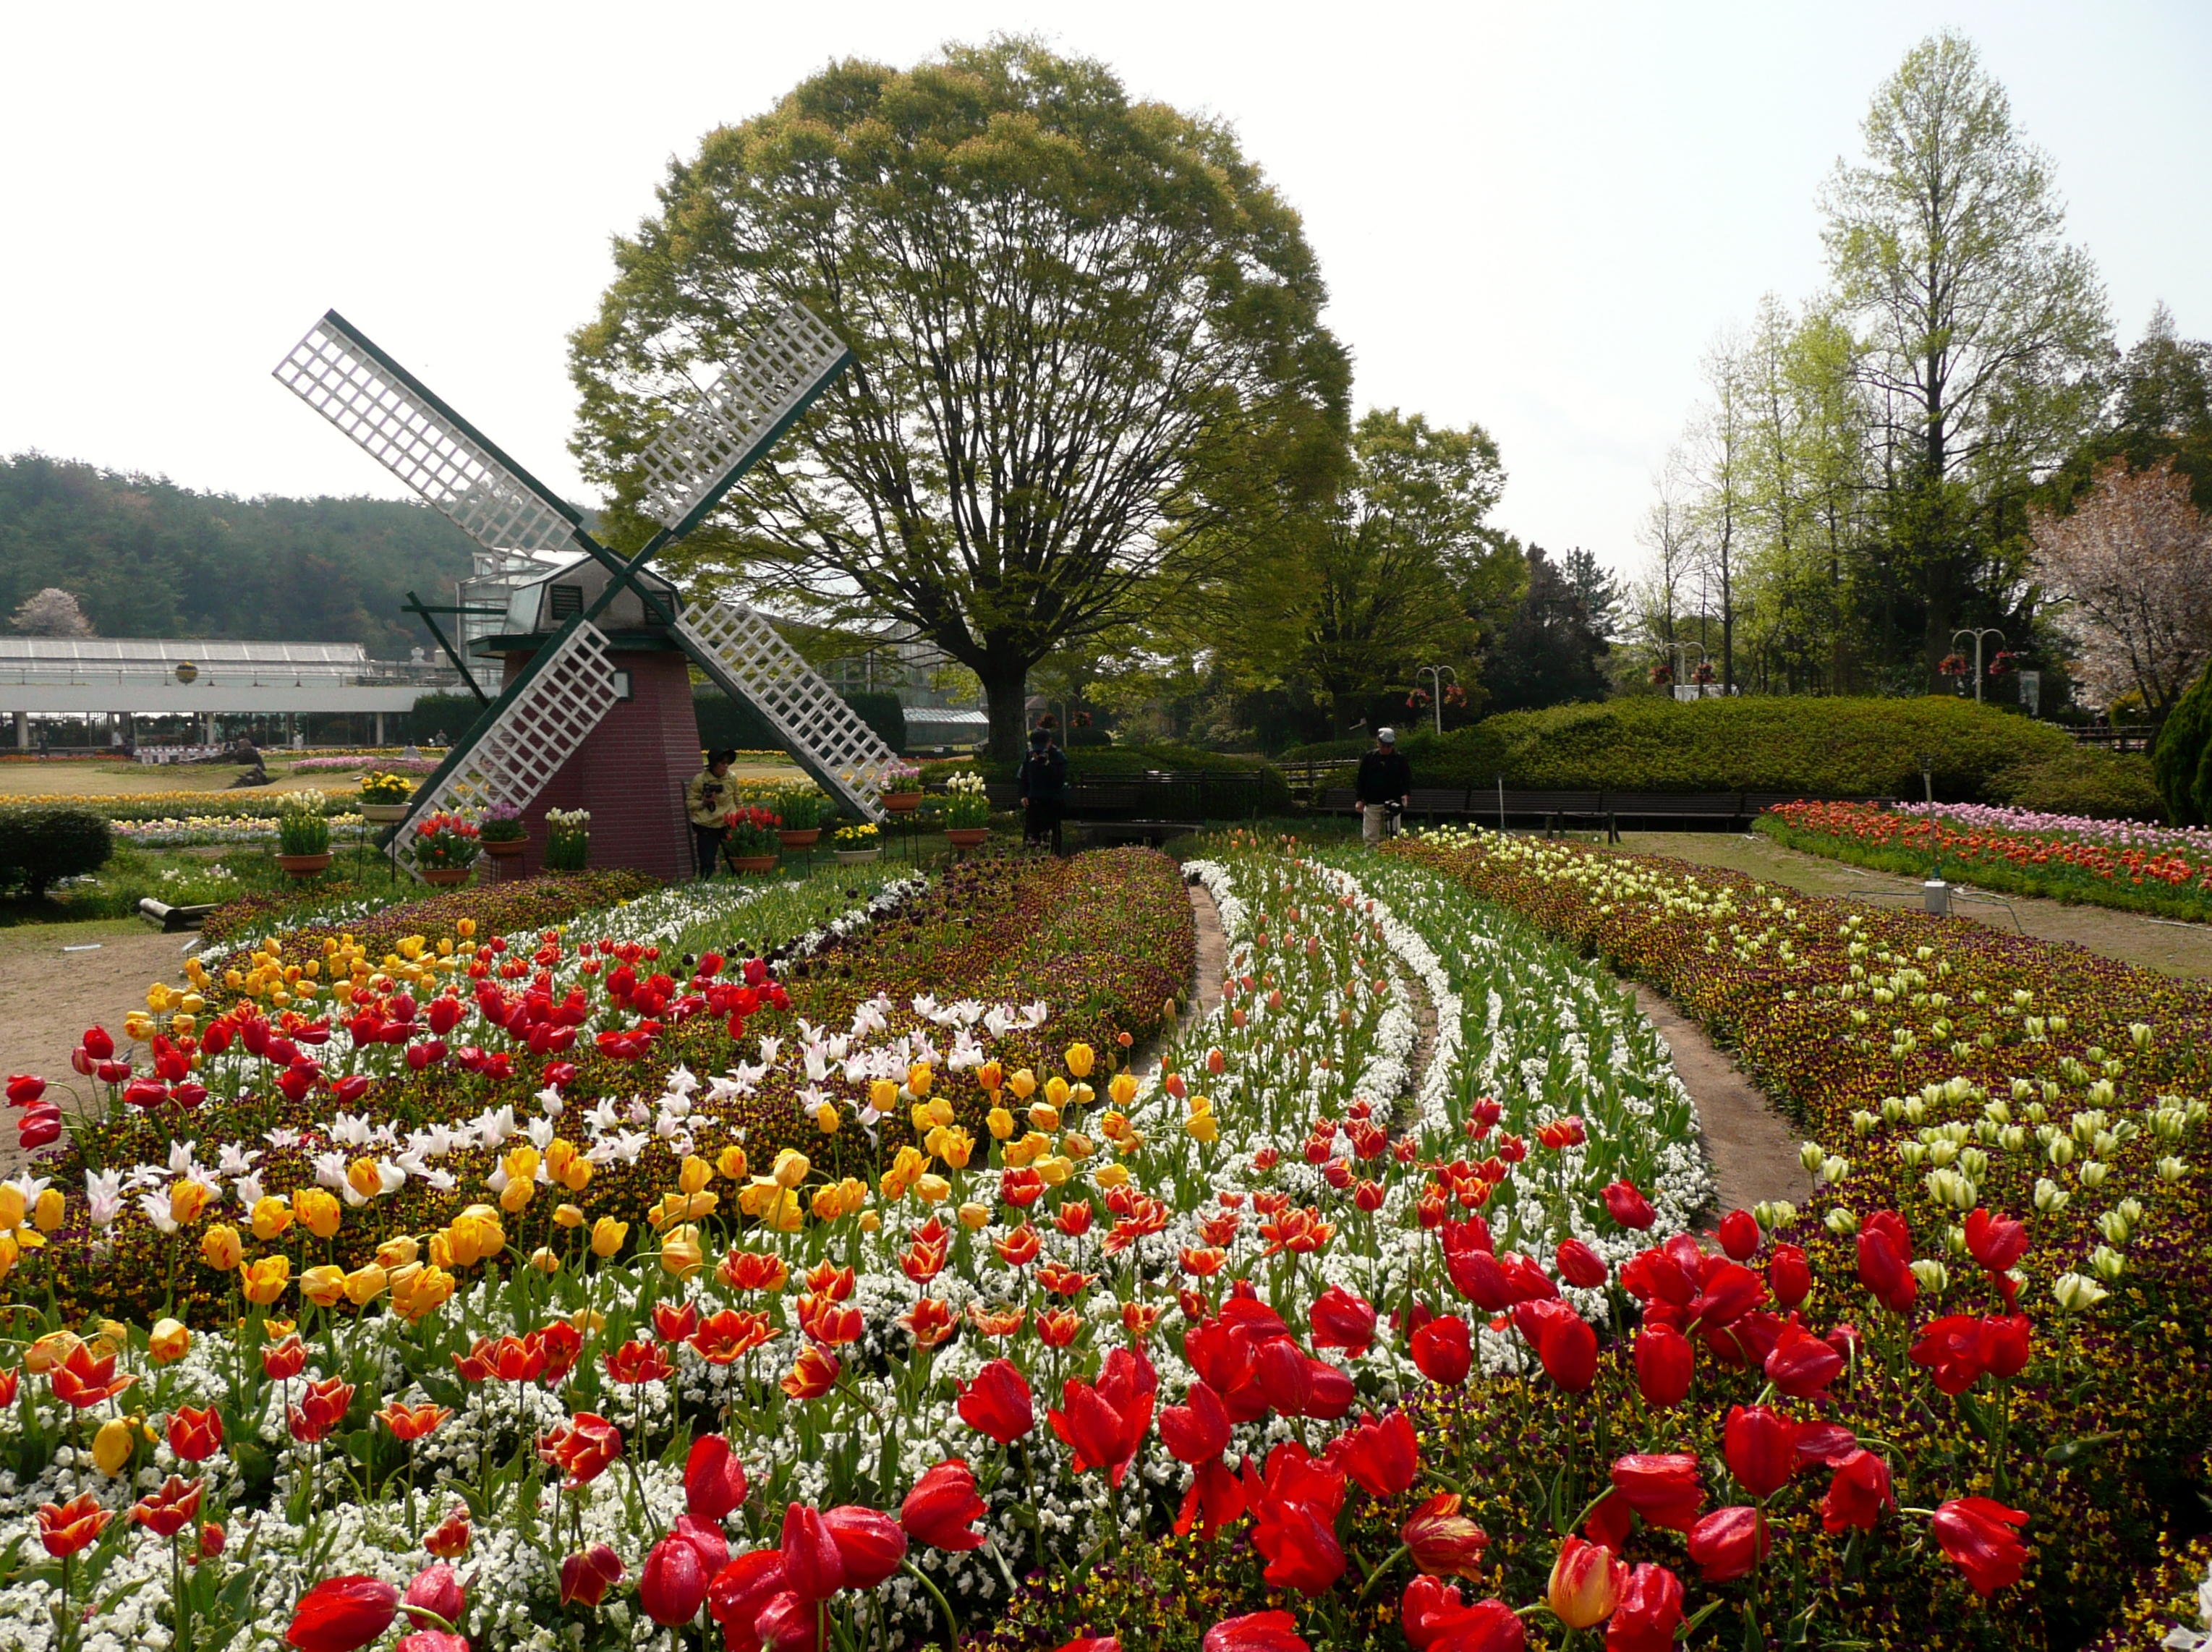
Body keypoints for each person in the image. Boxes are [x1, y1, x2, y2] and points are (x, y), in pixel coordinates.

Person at [685, 749, 738, 878]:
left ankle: (743, 885)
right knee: (707, 862)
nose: (725, 766)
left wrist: (739, 817)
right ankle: (707, 889)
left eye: (728, 763)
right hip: (707, 825)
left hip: (728, 823)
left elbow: (738, 799)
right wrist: (704, 802)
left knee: (735, 859)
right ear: (714, 764)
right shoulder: (700, 780)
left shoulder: (732, 778)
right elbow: (690, 803)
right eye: (722, 763)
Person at [1016, 725, 1068, 854]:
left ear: (1049, 742)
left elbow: (1060, 779)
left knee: (1051, 839)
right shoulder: (1029, 756)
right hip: (1033, 802)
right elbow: (1022, 778)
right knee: (1031, 838)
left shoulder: (1058, 756)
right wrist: (1023, 795)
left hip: (1051, 802)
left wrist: (1047, 765)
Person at [1355, 725, 1411, 843]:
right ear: (1378, 743)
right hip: (1372, 803)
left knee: (1393, 837)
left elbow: (1406, 778)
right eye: (1383, 746)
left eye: (1389, 746)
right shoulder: (1370, 758)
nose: (1386, 749)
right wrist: (1359, 799)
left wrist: (1406, 794)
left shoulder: (1399, 759)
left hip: (1393, 804)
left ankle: (1393, 857)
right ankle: (1371, 858)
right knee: (1370, 837)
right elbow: (1361, 779)